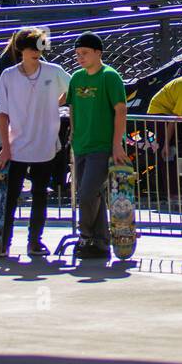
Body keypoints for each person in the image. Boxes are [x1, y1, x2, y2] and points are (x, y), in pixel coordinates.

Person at [0, 29, 71, 257]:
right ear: (21, 50)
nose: (35, 52)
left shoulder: (53, 71)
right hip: (17, 146)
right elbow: (2, 113)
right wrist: (5, 148)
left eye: (39, 47)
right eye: (31, 48)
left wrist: (54, 104)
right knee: (11, 197)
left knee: (40, 194)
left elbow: (73, 87)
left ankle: (34, 240)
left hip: (45, 145)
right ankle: (3, 242)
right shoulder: (8, 76)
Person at [63, 33, 128, 261]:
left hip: (102, 145)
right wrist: (74, 134)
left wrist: (117, 144)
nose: (80, 57)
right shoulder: (76, 78)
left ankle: (86, 235)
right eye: (78, 54)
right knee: (94, 194)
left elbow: (120, 110)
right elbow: (71, 107)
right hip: (81, 145)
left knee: (87, 193)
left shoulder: (109, 76)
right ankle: (100, 243)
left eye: (85, 53)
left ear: (98, 53)